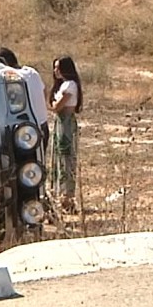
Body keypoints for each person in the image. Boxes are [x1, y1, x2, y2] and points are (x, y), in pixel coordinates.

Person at [0, 47, 48, 151]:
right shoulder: (32, 72)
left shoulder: (8, 76)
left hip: (26, 131)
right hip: (42, 124)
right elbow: (44, 93)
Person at [48, 56, 83, 211]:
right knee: (59, 158)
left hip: (66, 124)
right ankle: (61, 196)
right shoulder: (64, 85)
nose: (55, 71)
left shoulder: (69, 85)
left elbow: (57, 107)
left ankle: (67, 197)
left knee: (66, 158)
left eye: (58, 68)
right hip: (61, 123)